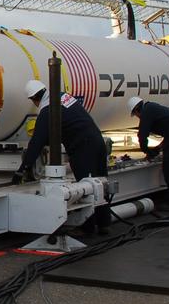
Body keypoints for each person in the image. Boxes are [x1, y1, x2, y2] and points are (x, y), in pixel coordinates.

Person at [13, 79, 111, 233]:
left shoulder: (47, 110)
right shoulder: (63, 96)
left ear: (34, 99)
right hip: (97, 141)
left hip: (83, 148)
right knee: (100, 183)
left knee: (86, 186)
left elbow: (36, 143)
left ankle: (88, 227)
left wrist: (22, 168)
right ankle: (104, 224)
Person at [129, 96, 169, 210]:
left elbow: (142, 135)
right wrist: (157, 148)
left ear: (136, 110)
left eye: (135, 115)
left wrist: (146, 151)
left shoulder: (147, 112)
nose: (138, 117)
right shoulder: (153, 108)